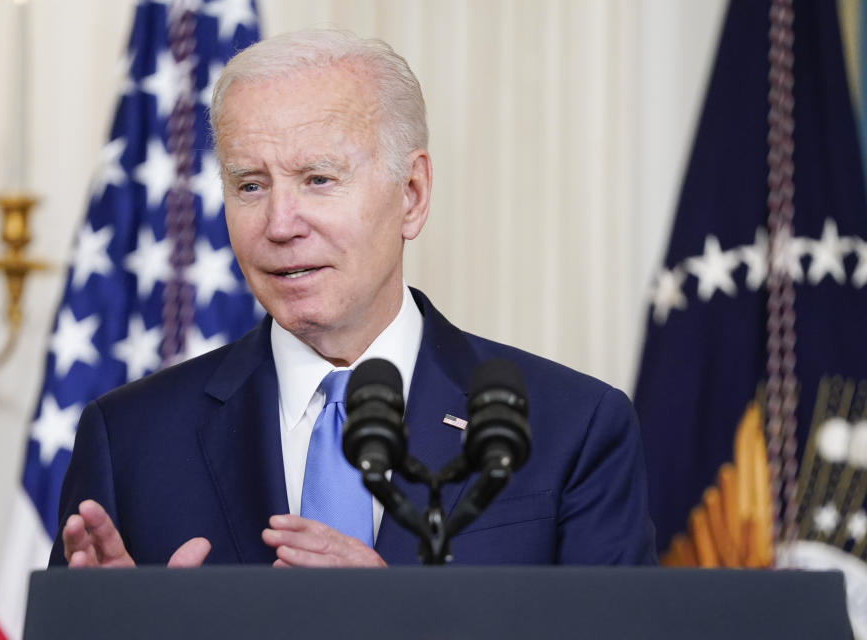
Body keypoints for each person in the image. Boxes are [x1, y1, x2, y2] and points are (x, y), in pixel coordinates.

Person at [49, 29, 656, 569]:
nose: (281, 223)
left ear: (412, 195)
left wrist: (393, 624)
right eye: (250, 185)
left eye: (318, 179)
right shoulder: (127, 437)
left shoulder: (573, 429)